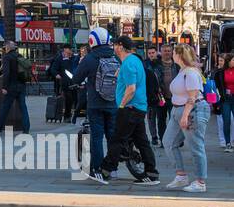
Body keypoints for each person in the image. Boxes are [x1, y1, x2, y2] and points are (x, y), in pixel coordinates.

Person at [92, 35, 158, 185]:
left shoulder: (128, 63)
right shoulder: (135, 60)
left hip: (129, 108)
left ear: (120, 46)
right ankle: (151, 173)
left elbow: (131, 88)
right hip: (139, 107)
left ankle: (104, 171)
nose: (113, 48)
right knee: (142, 141)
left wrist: (121, 105)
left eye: (115, 45)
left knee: (117, 140)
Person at [70, 28, 120, 173]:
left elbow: (76, 78)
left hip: (95, 103)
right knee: (112, 136)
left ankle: (97, 167)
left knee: (97, 138)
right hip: (113, 102)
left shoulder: (90, 58)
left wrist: (75, 82)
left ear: (92, 41)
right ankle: (112, 168)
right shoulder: (115, 57)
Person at [163, 43, 210, 192]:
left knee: (196, 146)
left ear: (180, 55)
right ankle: (181, 175)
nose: (172, 55)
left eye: (175, 53)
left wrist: (185, 116)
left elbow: (192, 97)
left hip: (192, 110)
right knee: (168, 142)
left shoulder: (190, 72)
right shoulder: (182, 70)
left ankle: (200, 182)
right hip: (178, 110)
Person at [0, 39, 31, 133]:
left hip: (12, 86)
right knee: (23, 107)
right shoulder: (19, 56)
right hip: (21, 85)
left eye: (4, 47)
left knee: (5, 106)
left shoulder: (7, 57)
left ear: (7, 47)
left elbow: (6, 73)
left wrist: (4, 87)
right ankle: (26, 128)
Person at [145, 49, 170, 147]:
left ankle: (162, 137)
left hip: (160, 95)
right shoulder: (145, 64)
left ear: (156, 53)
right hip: (149, 96)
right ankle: (154, 137)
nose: (151, 55)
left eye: (153, 53)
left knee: (161, 118)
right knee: (151, 118)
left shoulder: (161, 64)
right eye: (149, 53)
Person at [212, 51, 234, 152]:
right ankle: (228, 143)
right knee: (226, 121)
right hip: (226, 99)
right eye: (233, 60)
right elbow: (215, 86)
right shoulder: (220, 73)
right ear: (228, 61)